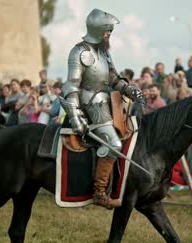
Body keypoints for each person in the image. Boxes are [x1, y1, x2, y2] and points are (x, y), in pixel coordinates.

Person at [59, 9, 144, 208]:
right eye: (107, 31)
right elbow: (71, 86)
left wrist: (130, 89)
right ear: (97, 30)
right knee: (114, 144)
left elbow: (113, 77)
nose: (109, 35)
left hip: (109, 101)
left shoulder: (103, 52)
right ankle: (99, 192)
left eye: (110, 32)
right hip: (90, 103)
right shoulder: (80, 51)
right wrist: (75, 116)